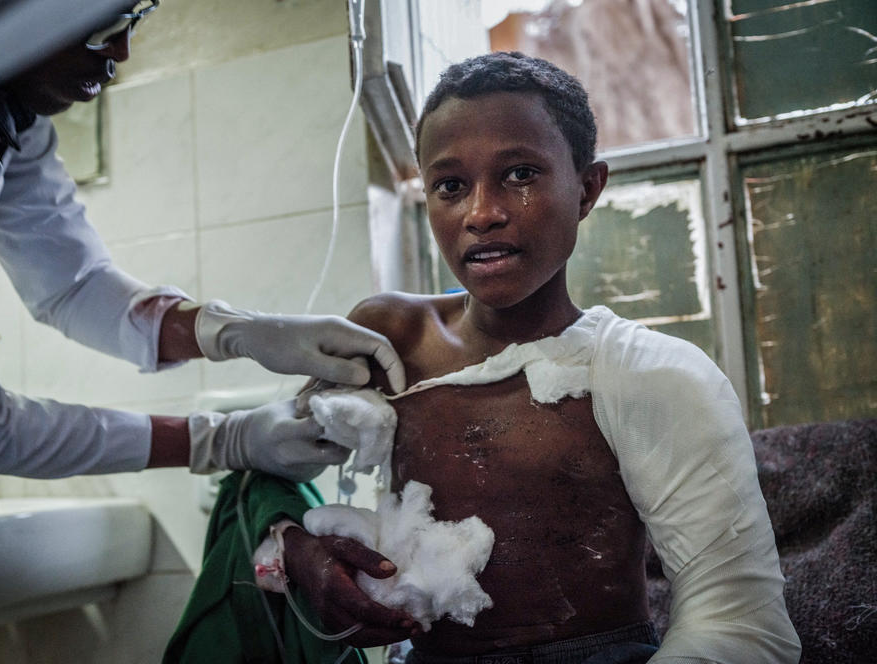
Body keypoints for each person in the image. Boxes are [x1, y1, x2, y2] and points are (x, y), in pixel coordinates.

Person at [272, 51, 801, 662]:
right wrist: (293, 550)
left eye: (520, 174)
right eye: (450, 186)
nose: (481, 213)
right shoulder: (389, 340)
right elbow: (264, 467)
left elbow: (736, 619)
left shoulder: (651, 375)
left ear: (587, 188)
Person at [0, 0, 406, 532]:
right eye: (102, 24)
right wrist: (224, 438)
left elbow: (74, 285)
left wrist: (234, 331)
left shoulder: (6, 108)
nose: (121, 51)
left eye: (135, 20)